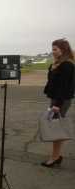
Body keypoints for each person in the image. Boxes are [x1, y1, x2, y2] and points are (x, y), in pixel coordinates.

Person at [42, 38, 75, 167]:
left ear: (63, 50)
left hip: (60, 101)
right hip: (56, 99)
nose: (52, 52)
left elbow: (64, 86)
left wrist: (57, 104)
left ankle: (55, 157)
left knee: (57, 129)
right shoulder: (59, 63)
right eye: (52, 49)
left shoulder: (67, 64)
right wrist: (55, 62)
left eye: (55, 49)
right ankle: (56, 156)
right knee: (56, 128)